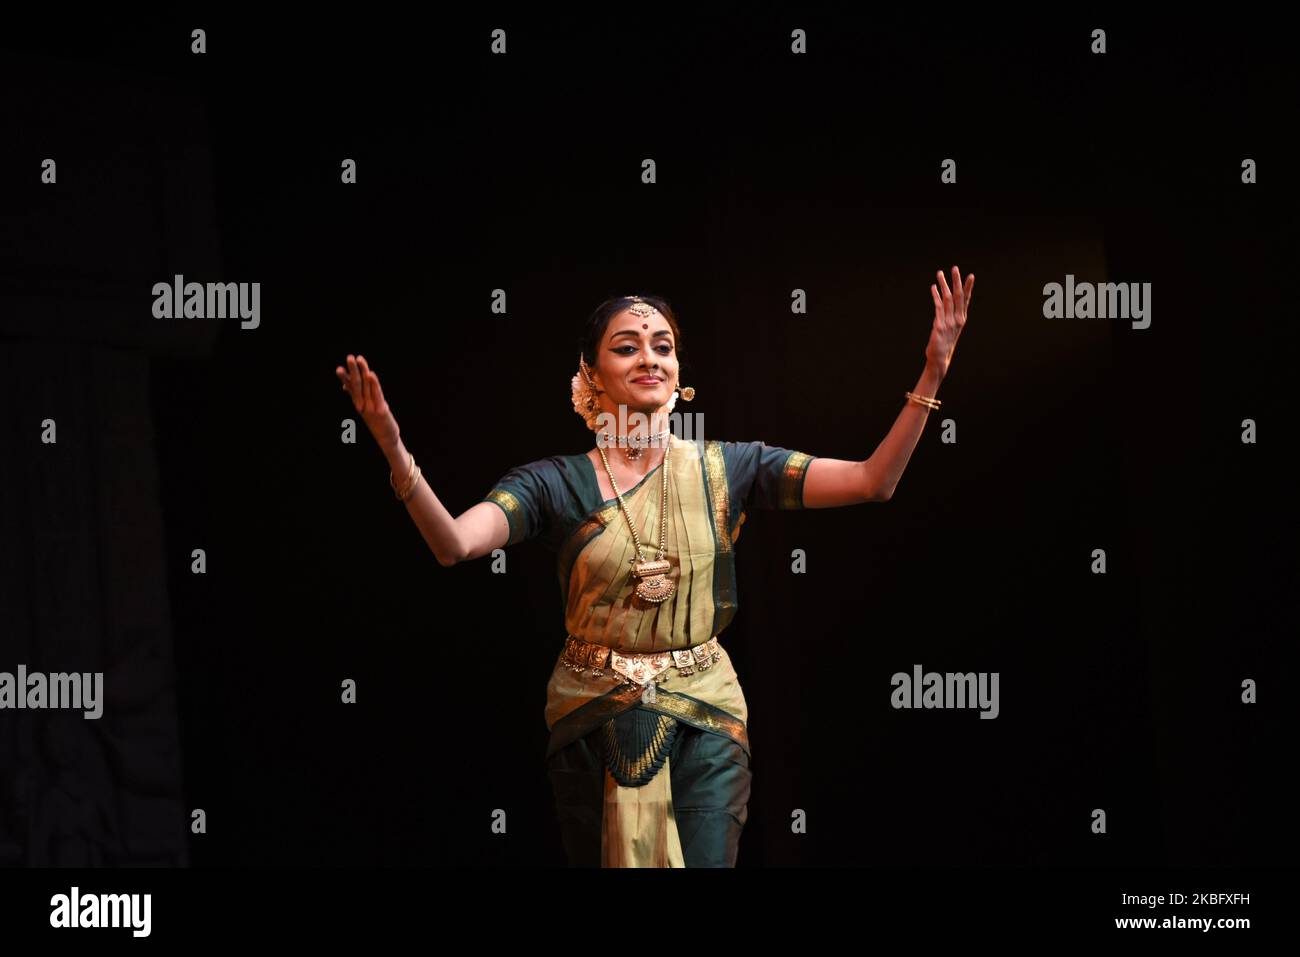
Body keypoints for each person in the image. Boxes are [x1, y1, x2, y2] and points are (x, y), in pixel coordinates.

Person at [335, 269, 974, 867]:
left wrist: (931, 375)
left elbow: (871, 482)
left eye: (662, 346)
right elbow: (454, 544)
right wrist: (395, 451)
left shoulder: (730, 468)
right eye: (626, 347)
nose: (650, 358)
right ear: (591, 373)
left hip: (707, 709)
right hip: (591, 711)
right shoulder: (553, 484)